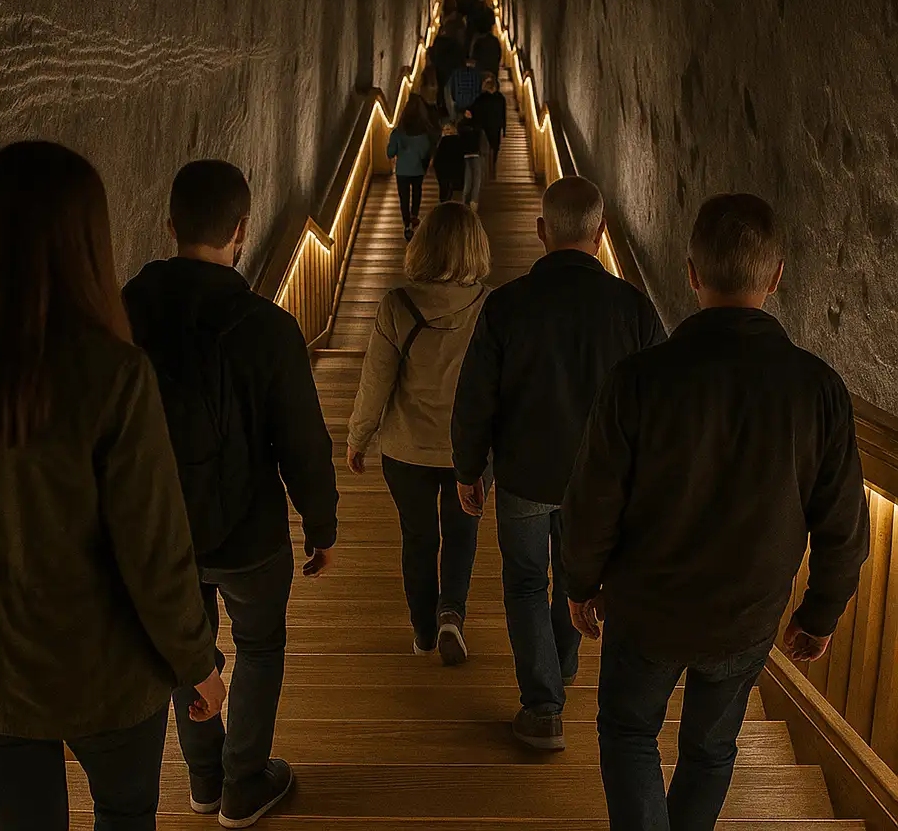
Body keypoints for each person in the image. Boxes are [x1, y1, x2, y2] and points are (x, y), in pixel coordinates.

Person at [0, 141, 225, 831]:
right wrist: (197, 661)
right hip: (105, 671)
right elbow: (152, 552)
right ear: (86, 241)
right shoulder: (113, 373)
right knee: (125, 813)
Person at [562, 193, 870, 831]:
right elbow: (843, 525)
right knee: (710, 748)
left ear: (692, 273)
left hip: (645, 610)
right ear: (777, 276)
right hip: (745, 616)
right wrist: (819, 611)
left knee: (627, 734)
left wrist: (581, 582)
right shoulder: (818, 390)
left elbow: (593, 501)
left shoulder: (639, 379)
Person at [123, 160, 339, 829]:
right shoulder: (269, 329)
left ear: (169, 227)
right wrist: (320, 523)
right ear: (243, 230)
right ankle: (246, 780)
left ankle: (204, 777)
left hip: (161, 531)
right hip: (250, 533)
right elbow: (302, 440)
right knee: (261, 644)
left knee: (188, 644)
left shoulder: (126, 314)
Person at [452, 176, 665, 752]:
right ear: (601, 232)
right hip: (602, 486)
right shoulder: (635, 310)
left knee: (524, 582)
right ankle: (564, 662)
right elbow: (660, 404)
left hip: (523, 475)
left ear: (542, 231)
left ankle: (543, 705)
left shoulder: (506, 305)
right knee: (577, 576)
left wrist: (470, 467)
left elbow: (476, 395)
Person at [347, 203, 491, 665]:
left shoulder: (397, 305)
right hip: (468, 451)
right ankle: (452, 613)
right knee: (462, 533)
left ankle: (424, 632)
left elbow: (375, 381)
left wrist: (358, 436)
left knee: (418, 537)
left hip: (406, 448)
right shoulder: (490, 306)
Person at [387, 99, 434, 240]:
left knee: (404, 197)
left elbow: (390, 153)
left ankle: (406, 224)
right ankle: (414, 215)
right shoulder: (424, 134)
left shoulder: (398, 133)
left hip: (402, 170)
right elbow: (426, 152)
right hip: (418, 169)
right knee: (417, 192)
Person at [471, 73, 507, 178]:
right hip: (495, 126)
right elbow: (503, 114)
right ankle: (492, 168)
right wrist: (504, 128)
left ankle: (485, 170)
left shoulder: (481, 98)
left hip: (483, 126)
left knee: (484, 149)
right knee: (495, 147)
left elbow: (474, 112)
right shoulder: (500, 98)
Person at [460, 113, 489, 212]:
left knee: (467, 180)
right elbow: (483, 142)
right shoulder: (478, 126)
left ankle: (464, 202)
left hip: (465, 155)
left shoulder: (461, 126)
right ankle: (473, 202)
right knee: (477, 180)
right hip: (476, 154)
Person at [433, 122, 465, 203]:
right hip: (456, 170)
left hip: (443, 170)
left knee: (444, 191)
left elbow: (437, 158)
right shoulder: (459, 140)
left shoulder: (443, 141)